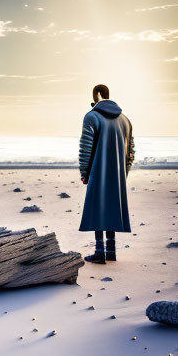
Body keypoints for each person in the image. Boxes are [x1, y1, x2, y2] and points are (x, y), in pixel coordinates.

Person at [78, 84, 135, 264]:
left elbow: (86, 147)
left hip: (97, 169)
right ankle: (111, 251)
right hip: (118, 173)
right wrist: (124, 172)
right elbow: (130, 150)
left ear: (95, 98)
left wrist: (84, 172)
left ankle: (99, 252)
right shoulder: (125, 119)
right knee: (111, 208)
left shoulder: (91, 116)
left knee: (97, 208)